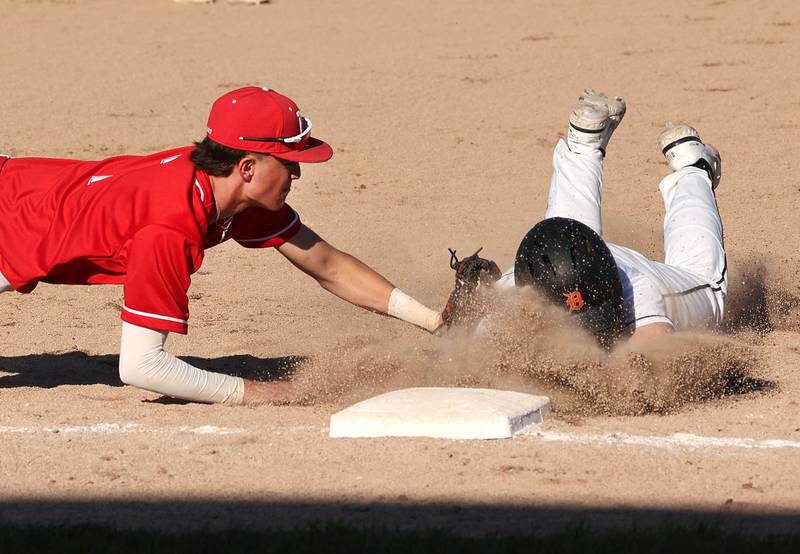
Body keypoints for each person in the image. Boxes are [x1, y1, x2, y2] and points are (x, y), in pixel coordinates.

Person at [0, 86, 443, 405]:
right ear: (247, 167)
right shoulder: (169, 227)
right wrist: (258, 392)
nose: (299, 175)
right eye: (290, 164)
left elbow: (328, 265)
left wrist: (433, 321)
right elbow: (141, 368)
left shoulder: (233, 192)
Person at [443, 89, 726, 346]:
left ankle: (693, 167)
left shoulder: (636, 291)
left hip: (617, 270)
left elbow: (653, 357)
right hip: (573, 259)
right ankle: (584, 143)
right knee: (557, 238)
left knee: (708, 282)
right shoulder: (509, 307)